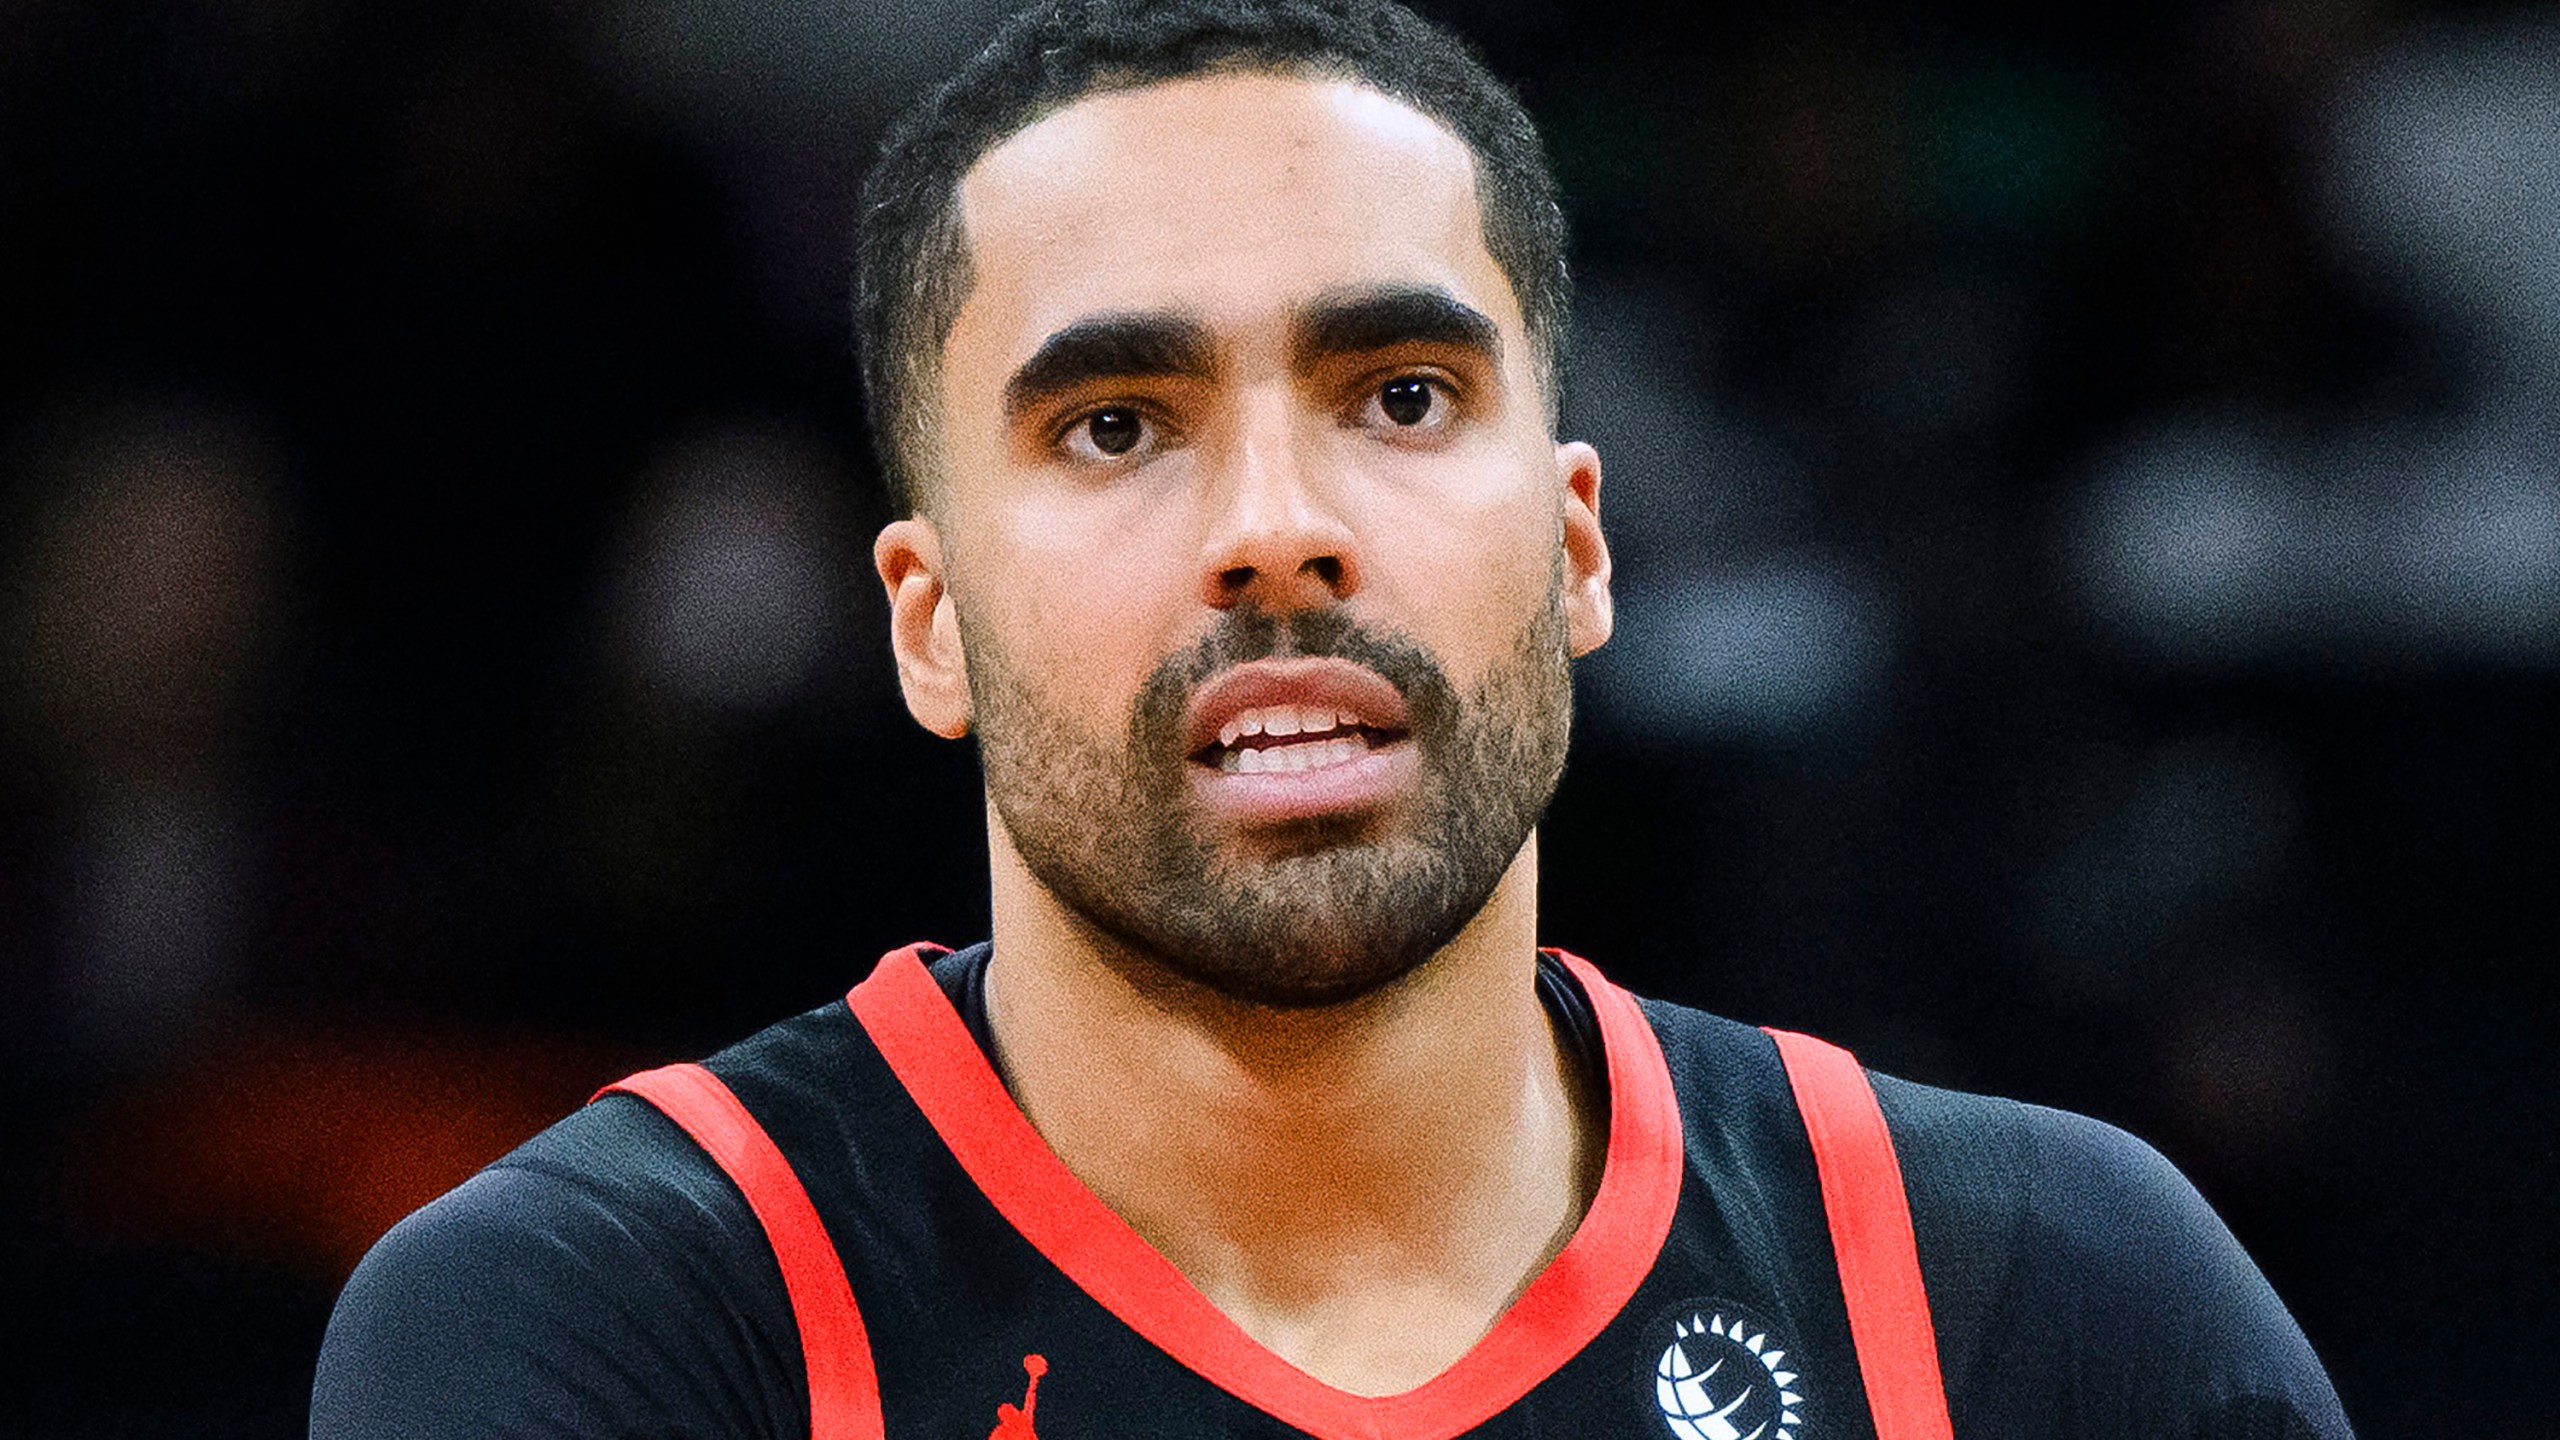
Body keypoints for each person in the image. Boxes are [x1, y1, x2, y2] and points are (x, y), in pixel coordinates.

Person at [310, 1, 2353, 1436]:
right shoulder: (627, 1320)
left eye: (1398, 397)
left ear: (1574, 546)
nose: (1275, 533)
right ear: (926, 627)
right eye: (1117, 426)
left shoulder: (2041, 1296)